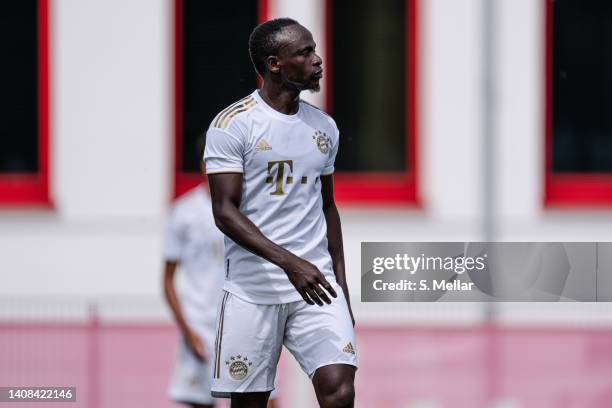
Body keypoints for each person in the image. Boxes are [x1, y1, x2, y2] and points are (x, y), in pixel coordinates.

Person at [204, 18, 357, 408]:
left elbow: (327, 206)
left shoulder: (324, 127)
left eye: (314, 50)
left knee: (339, 389)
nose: (317, 60)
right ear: (275, 63)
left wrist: (341, 287)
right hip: (253, 291)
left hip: (317, 288)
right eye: (305, 53)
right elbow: (224, 212)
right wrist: (290, 263)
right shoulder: (232, 125)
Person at [163, 159, 278, 408]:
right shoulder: (184, 212)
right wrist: (188, 330)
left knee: (265, 399)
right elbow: (168, 280)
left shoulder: (253, 206)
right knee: (201, 401)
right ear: (205, 166)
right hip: (201, 324)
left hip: (245, 319)